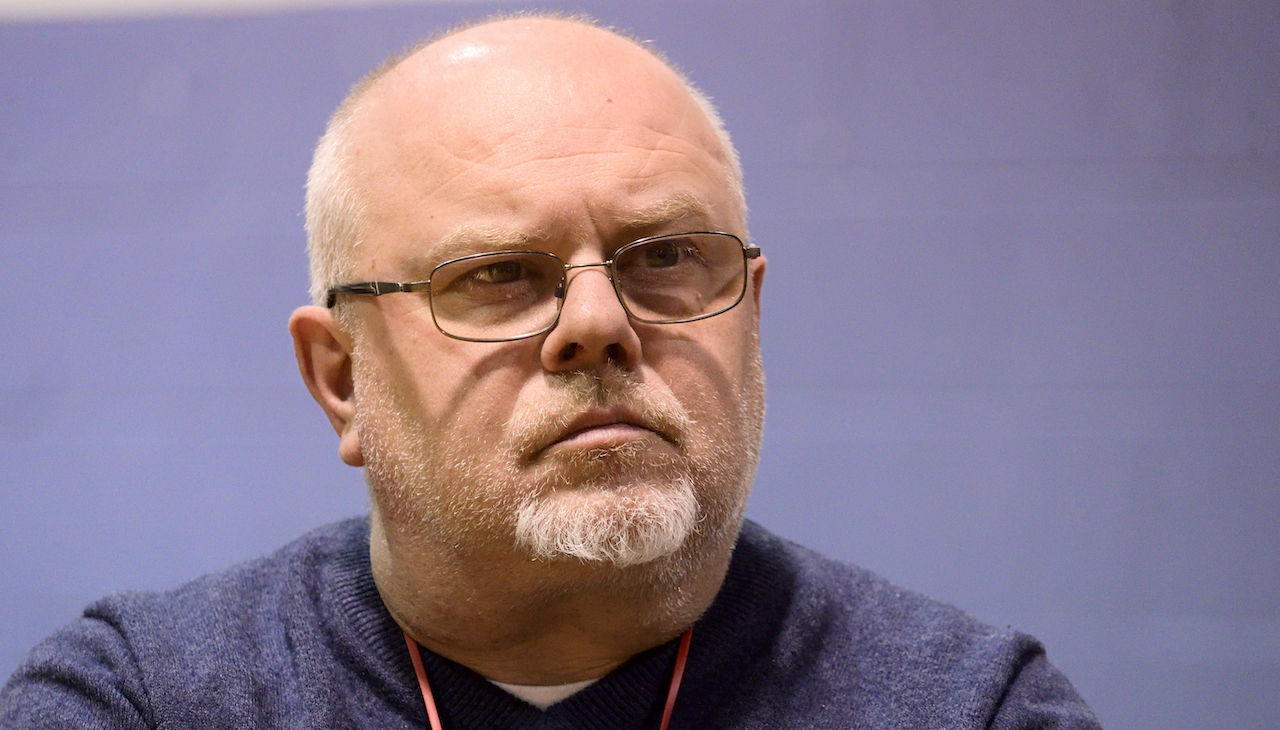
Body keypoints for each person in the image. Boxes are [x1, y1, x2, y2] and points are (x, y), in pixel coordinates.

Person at [0, 14, 1100, 729]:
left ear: (749, 322)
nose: (596, 323)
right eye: (494, 274)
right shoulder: (146, 699)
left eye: (667, 257)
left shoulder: (968, 708)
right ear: (340, 379)